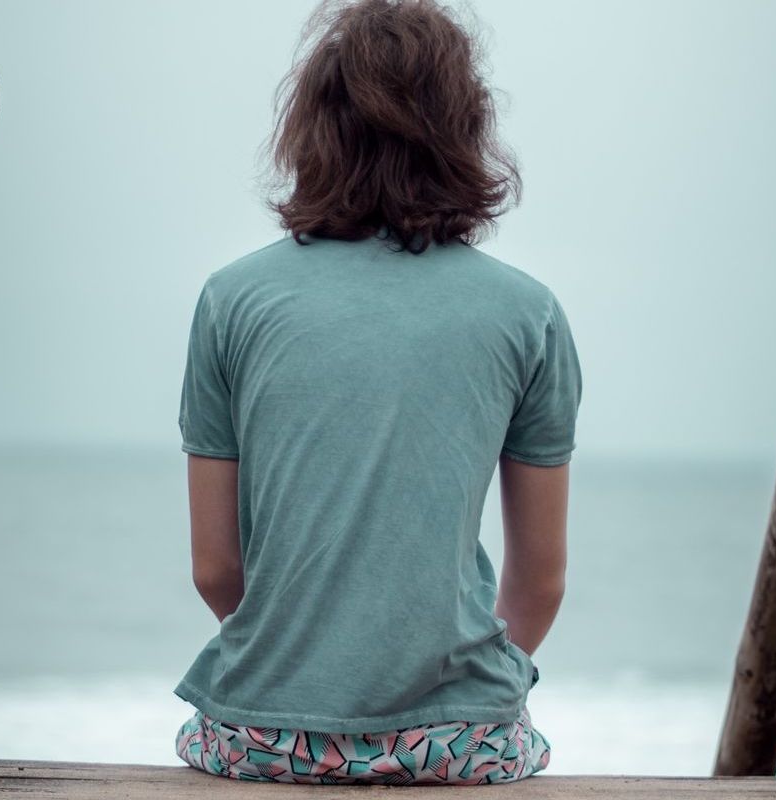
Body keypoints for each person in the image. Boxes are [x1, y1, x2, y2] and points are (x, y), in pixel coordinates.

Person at [173, 0, 581, 785]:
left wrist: (305, 673)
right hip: (459, 743)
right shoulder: (529, 313)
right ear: (465, 128)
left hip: (261, 736)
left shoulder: (233, 299)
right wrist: (467, 697)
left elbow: (215, 569)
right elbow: (541, 580)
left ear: (312, 129)